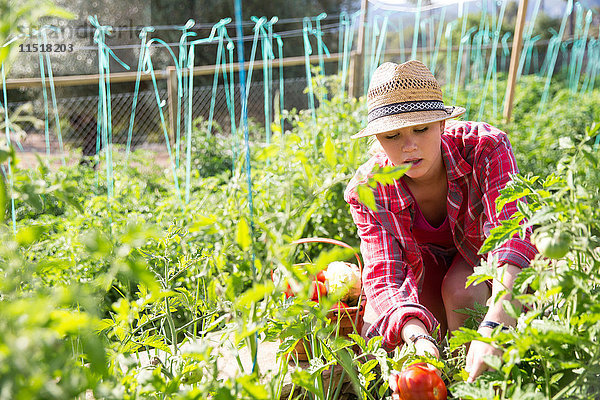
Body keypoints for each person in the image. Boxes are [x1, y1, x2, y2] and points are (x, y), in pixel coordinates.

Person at [343, 60, 538, 385]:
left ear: (443, 125)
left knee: (462, 292)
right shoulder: (368, 188)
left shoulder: (485, 148)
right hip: (420, 267)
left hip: (477, 258)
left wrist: (496, 322)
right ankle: (449, 378)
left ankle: (481, 383)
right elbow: (385, 275)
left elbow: (513, 234)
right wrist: (417, 337)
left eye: (421, 129)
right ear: (377, 138)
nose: (410, 145)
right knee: (418, 329)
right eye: (393, 135)